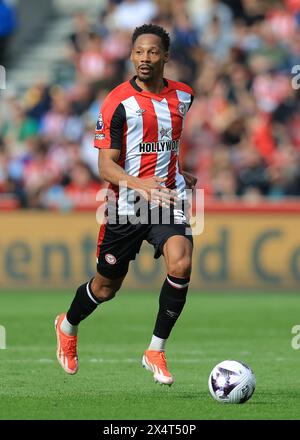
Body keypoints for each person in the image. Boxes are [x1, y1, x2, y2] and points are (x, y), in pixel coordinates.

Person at [55, 23, 197, 386]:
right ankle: (68, 324)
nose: (144, 59)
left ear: (165, 56)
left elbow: (168, 144)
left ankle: (155, 349)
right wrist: (139, 184)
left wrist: (180, 172)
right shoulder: (117, 103)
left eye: (152, 52)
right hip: (126, 204)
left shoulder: (184, 96)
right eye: (138, 52)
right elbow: (105, 166)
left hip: (167, 197)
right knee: (106, 288)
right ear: (131, 55)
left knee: (181, 261)